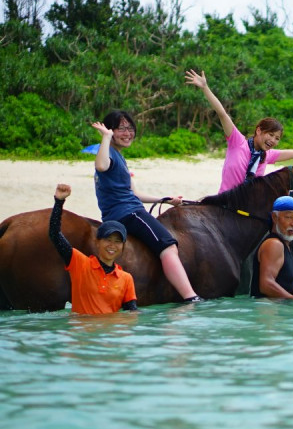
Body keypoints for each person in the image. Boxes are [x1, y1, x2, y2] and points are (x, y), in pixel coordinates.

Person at [92, 110, 203, 303]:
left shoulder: (118, 156)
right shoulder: (108, 153)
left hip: (124, 210)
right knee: (168, 246)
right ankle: (189, 297)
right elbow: (101, 166)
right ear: (110, 131)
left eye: (130, 128)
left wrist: (164, 200)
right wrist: (106, 137)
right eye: (121, 129)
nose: (127, 133)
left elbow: (134, 194)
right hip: (128, 213)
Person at [185, 69, 293, 193]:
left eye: (277, 138)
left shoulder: (268, 155)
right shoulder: (237, 142)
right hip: (225, 203)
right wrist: (205, 88)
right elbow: (222, 113)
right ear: (259, 131)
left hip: (249, 206)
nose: (273, 140)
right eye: (270, 135)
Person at [49, 183, 137, 314]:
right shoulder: (80, 263)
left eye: (117, 241)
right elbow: (55, 235)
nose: (112, 245)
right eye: (108, 239)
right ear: (97, 242)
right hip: (82, 333)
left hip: (108, 334)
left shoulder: (126, 278)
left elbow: (132, 314)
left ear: (123, 247)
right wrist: (59, 202)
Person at [251, 196, 293, 299]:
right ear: (275, 217)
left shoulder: (286, 246)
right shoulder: (274, 244)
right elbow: (266, 285)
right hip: (270, 311)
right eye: (288, 217)